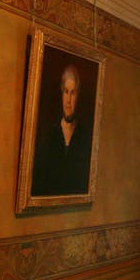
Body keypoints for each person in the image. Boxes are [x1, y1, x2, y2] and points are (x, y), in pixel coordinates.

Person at [30, 61, 93, 195]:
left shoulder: (85, 137)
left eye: (73, 92)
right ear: (61, 94)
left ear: (78, 96)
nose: (68, 100)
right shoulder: (49, 135)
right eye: (66, 92)